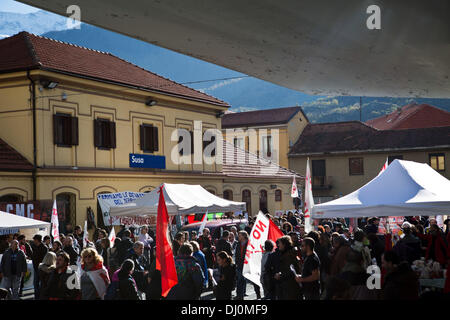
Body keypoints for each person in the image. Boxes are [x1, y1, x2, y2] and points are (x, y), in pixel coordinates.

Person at [31, 234, 48, 299]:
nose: (34, 241)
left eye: (34, 239)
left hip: (42, 269)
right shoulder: (34, 246)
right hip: (35, 267)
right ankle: (36, 297)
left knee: (41, 284)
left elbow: (45, 258)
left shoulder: (44, 247)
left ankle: (41, 296)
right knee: (35, 283)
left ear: (37, 240)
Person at [234, 231, 248, 300]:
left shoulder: (249, 243)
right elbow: (236, 254)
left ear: (244, 236)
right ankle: (239, 295)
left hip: (246, 264)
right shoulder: (238, 244)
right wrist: (236, 262)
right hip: (239, 264)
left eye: (239, 236)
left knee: (243, 280)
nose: (238, 237)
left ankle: (257, 294)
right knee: (239, 280)